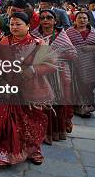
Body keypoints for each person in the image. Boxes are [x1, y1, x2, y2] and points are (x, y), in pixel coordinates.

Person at [0, 12, 54, 167]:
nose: (14, 27)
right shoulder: (4, 42)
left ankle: (33, 150)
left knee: (32, 121)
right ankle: (3, 154)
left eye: (18, 24)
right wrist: (1, 78)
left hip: (31, 89)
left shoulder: (39, 44)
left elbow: (51, 64)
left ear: (28, 26)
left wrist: (32, 70)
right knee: (4, 119)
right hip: (8, 88)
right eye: (11, 24)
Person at [32, 9, 78, 143]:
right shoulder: (34, 35)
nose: (45, 20)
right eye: (42, 18)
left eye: (49, 17)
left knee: (58, 103)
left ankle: (57, 131)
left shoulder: (61, 36)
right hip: (41, 75)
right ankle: (42, 132)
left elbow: (73, 54)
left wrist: (53, 55)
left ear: (55, 21)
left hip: (59, 74)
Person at [66, 11, 95, 117]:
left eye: (84, 18)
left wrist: (91, 47)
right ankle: (79, 107)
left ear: (88, 20)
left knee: (88, 85)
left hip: (90, 65)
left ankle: (87, 106)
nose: (82, 20)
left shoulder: (93, 33)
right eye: (79, 18)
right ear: (75, 20)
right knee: (76, 85)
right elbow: (64, 45)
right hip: (74, 64)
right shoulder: (69, 32)